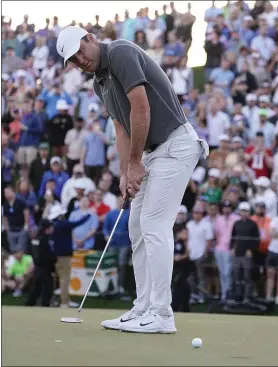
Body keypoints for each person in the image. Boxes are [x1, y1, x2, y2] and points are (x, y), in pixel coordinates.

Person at [56, 26, 208, 333]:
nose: (79, 61)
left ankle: (163, 315)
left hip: (176, 145)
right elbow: (121, 128)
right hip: (153, 153)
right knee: (136, 224)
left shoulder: (121, 52)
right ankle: (142, 308)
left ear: (90, 39)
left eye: (80, 52)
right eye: (73, 59)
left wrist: (137, 162)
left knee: (154, 223)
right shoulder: (99, 83)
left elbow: (141, 107)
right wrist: (126, 171)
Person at [48, 202, 91, 308]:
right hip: (64, 256)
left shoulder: (53, 225)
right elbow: (78, 222)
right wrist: (89, 215)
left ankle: (64, 300)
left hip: (56, 256)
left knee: (61, 278)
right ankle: (64, 302)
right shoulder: (63, 224)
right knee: (64, 279)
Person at [230, 202, 260, 303]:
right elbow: (233, 237)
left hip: (247, 254)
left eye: (246, 211)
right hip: (237, 253)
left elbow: (256, 239)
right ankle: (237, 296)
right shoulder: (236, 223)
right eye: (242, 211)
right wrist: (232, 248)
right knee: (236, 275)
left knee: (247, 276)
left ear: (249, 212)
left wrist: (251, 249)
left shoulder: (253, 224)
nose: (244, 213)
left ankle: (247, 297)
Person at [103, 194, 131, 296]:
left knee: (121, 264)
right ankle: (110, 286)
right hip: (113, 242)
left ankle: (120, 286)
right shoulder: (111, 214)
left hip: (124, 243)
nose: (120, 203)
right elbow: (105, 228)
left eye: (122, 201)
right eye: (118, 201)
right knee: (111, 264)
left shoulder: (128, 213)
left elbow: (131, 228)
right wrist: (106, 235)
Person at [25, 219, 57, 307]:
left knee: (36, 286)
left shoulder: (36, 238)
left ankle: (30, 303)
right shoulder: (45, 239)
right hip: (45, 267)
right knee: (47, 287)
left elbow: (33, 252)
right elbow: (46, 254)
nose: (52, 228)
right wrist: (54, 259)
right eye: (51, 227)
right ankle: (45, 304)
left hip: (37, 266)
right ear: (47, 228)